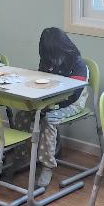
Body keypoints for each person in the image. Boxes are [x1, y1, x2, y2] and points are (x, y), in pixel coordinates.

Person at [14, 27, 89, 189]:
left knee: (49, 120)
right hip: (47, 101)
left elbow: (74, 95)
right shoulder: (46, 60)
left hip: (72, 103)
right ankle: (23, 154)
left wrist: (53, 106)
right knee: (22, 115)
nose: (52, 60)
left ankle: (47, 165)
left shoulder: (78, 64)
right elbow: (42, 80)